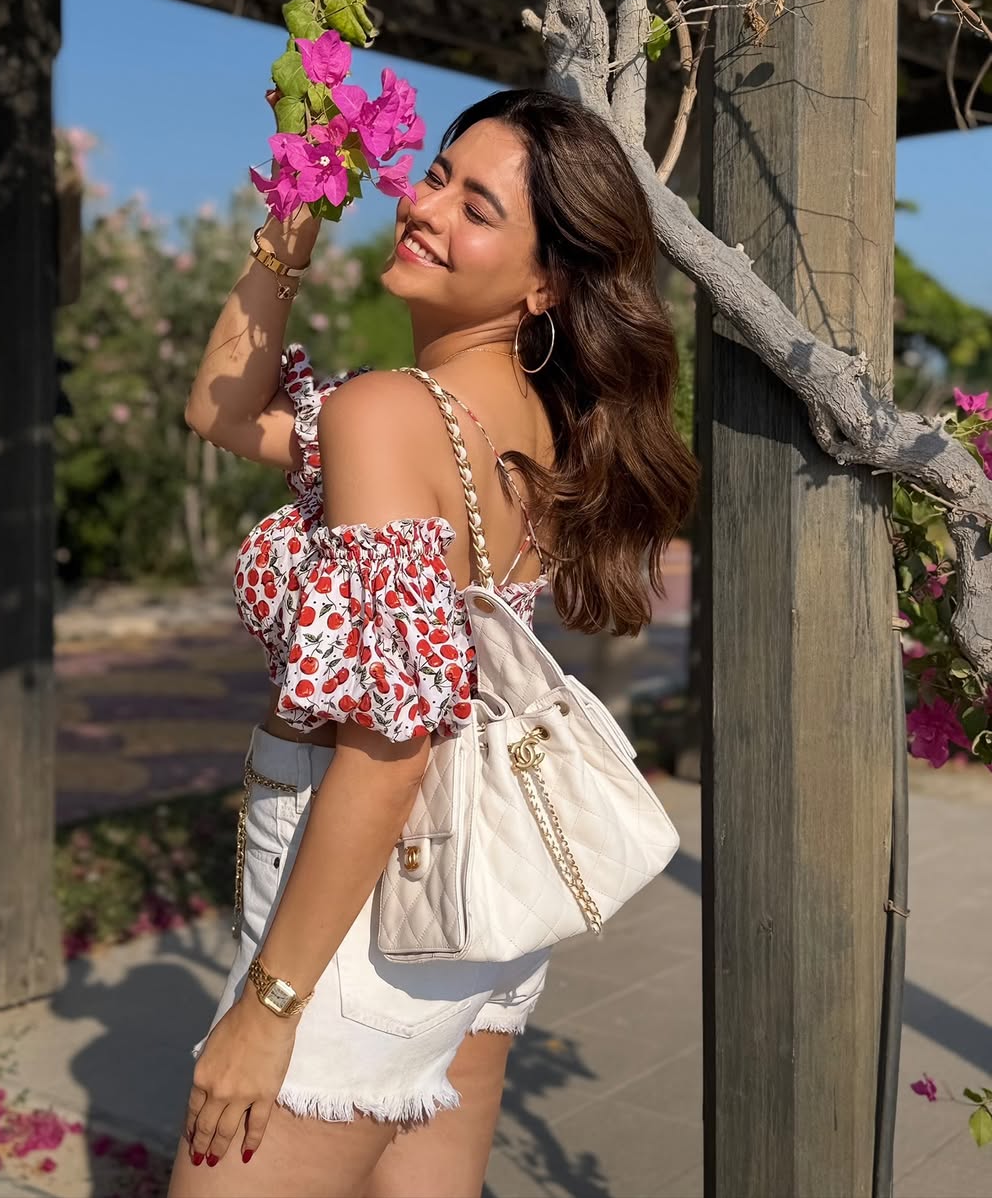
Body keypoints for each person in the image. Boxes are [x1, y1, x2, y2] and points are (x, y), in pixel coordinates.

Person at [168, 87, 699, 1198]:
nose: (425, 207)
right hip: (470, 905)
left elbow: (390, 742)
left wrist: (270, 1010)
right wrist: (293, 218)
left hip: (357, 920)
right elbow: (221, 410)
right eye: (437, 174)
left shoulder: (388, 415)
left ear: (545, 281)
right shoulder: (534, 424)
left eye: (478, 206)